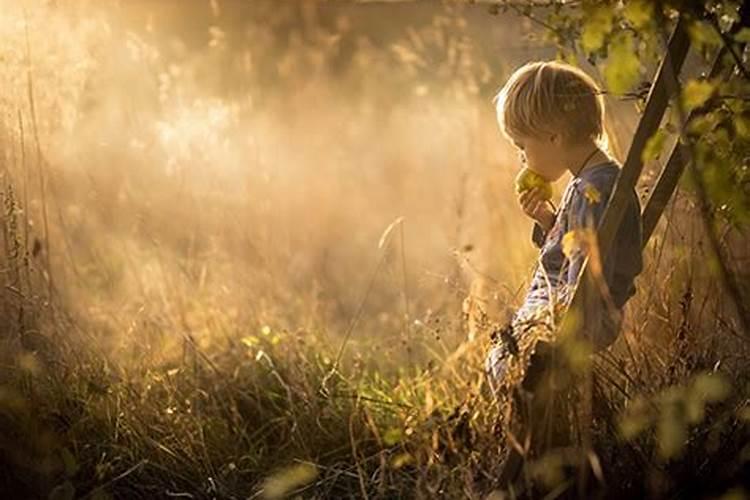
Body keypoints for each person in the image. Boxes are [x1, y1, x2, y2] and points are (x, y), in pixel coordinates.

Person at [480, 60, 644, 398]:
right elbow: (579, 245)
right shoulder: (589, 182)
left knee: (504, 365)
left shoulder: (593, 191)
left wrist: (562, 325)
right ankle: (533, 428)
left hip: (574, 313)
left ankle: (533, 438)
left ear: (553, 136)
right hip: (566, 305)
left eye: (522, 146)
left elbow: (587, 269)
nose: (522, 159)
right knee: (501, 360)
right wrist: (547, 221)